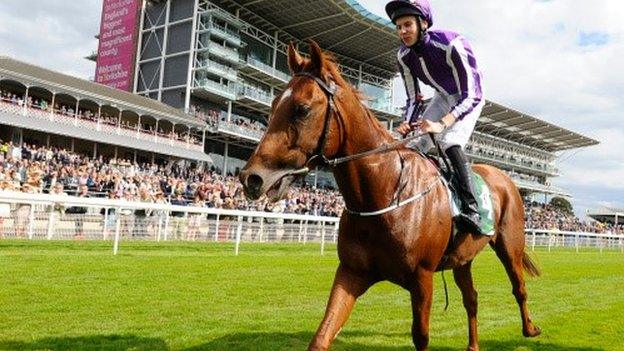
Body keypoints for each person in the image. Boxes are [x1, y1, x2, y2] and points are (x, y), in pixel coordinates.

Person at [386, 0, 485, 234]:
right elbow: (414, 98)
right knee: (415, 144)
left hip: (467, 97)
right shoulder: (403, 56)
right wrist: (407, 124)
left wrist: (441, 124)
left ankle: (472, 209)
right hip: (441, 97)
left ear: (423, 23)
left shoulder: (453, 44)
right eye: (398, 27)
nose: (403, 32)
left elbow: (472, 95)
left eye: (407, 25)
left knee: (448, 141)